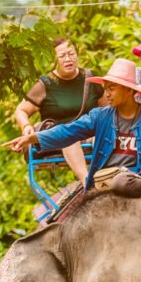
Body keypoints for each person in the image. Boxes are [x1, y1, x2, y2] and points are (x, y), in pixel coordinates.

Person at [4, 58, 141, 195]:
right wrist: (34, 137)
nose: (106, 94)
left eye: (111, 89)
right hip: (106, 179)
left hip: (138, 179)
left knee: (124, 182)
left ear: (129, 90)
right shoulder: (100, 116)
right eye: (105, 89)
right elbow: (68, 131)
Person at [13, 36, 99, 181]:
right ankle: (87, 182)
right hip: (60, 138)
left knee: (104, 135)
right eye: (62, 56)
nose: (68, 59)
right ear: (54, 60)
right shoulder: (46, 83)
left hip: (89, 135)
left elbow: (109, 108)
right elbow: (21, 110)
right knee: (69, 136)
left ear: (77, 55)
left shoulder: (90, 78)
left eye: (71, 54)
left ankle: (105, 177)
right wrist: (26, 126)